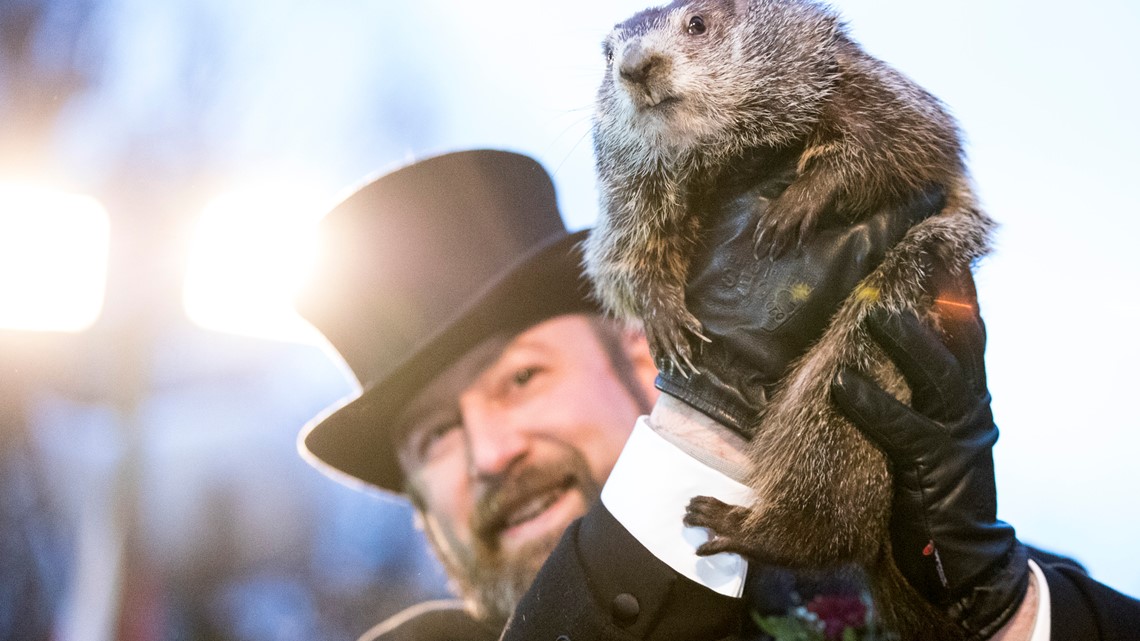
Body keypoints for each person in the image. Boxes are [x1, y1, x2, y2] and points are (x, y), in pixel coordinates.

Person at [294, 149, 1140, 641]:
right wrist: (711, 434)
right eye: (434, 436)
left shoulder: (896, 584)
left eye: (522, 379)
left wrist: (997, 611)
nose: (489, 454)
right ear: (420, 514)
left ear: (643, 353)